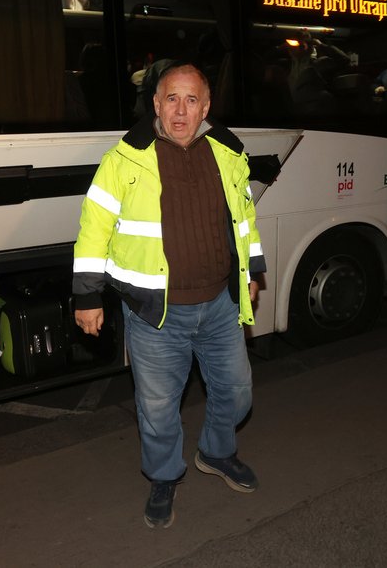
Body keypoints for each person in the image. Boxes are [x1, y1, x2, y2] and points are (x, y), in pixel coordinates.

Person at [72, 61, 265, 529]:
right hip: (154, 313)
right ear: (155, 104)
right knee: (158, 409)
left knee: (237, 394)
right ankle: (163, 477)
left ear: (206, 107)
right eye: (171, 99)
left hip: (220, 304)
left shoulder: (228, 151)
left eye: (191, 100)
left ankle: (216, 454)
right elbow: (93, 231)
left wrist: (253, 271)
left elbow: (244, 221)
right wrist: (86, 297)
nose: (180, 111)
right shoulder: (124, 159)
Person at [285, 29, 350, 115]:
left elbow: (344, 59)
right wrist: (279, 48)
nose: (293, 48)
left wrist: (321, 45)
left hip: (315, 111)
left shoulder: (320, 62)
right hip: (295, 110)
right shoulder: (288, 64)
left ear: (306, 45)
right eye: (292, 44)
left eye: (297, 44)